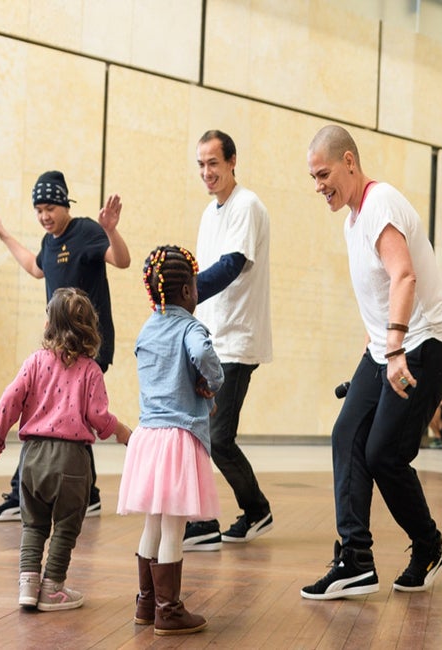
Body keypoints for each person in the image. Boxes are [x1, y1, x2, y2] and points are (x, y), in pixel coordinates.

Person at [301, 124, 442, 600]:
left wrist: (393, 349)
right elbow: (379, 295)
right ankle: (355, 560)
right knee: (347, 434)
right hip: (384, 348)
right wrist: (378, 347)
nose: (318, 186)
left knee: (384, 454)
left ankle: (428, 546)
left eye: (324, 173)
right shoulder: (353, 220)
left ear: (350, 161)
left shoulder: (380, 202)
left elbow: (404, 276)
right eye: (312, 177)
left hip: (425, 345)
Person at [0, 170, 131, 522]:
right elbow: (36, 269)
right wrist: (4, 235)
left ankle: (23, 491)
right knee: (72, 414)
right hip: (59, 346)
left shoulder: (87, 232)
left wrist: (110, 228)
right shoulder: (49, 243)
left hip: (89, 344)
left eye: (50, 207)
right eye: (38, 210)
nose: (44, 215)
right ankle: (88, 494)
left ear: (64, 204)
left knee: (48, 413)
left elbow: (121, 261)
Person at [0, 287, 131, 611]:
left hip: (33, 458)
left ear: (49, 323)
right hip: (72, 461)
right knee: (66, 525)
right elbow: (97, 415)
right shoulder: (91, 370)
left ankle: (27, 585)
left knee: (33, 524)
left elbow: (11, 398)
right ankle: (53, 586)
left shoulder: (35, 362)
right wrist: (123, 434)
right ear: (91, 327)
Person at [117, 246, 223, 635]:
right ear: (187, 292)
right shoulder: (190, 328)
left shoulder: (148, 328)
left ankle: (146, 604)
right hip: (179, 439)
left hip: (147, 438)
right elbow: (202, 354)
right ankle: (169, 609)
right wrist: (213, 383)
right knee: (174, 528)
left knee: (153, 523)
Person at [181, 130, 274, 551]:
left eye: (213, 163)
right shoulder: (209, 213)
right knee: (203, 430)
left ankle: (251, 510)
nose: (206, 172)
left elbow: (232, 265)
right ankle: (247, 511)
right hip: (208, 339)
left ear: (233, 161)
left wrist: (182, 290)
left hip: (236, 341)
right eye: (201, 164)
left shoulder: (247, 206)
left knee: (217, 435)